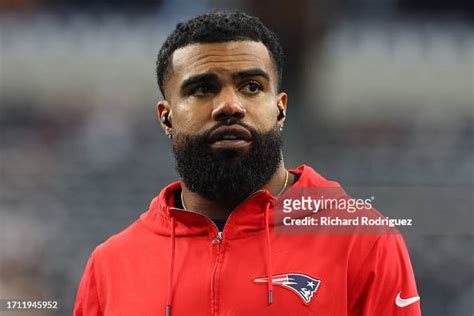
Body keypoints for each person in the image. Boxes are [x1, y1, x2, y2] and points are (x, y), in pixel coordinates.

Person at [73, 10, 421, 316]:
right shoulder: (111, 266)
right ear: (166, 118)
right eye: (202, 89)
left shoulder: (362, 240)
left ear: (280, 108)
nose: (230, 105)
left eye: (251, 87)